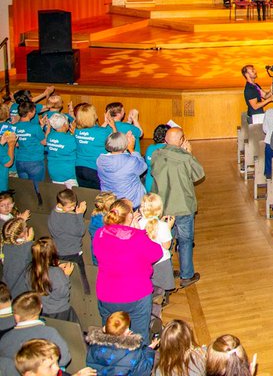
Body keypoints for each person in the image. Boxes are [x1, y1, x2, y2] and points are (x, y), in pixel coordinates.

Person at [92, 199, 161, 340]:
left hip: (106, 293)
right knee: (139, 337)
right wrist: (137, 231)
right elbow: (157, 253)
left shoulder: (99, 234)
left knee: (110, 336)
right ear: (129, 217)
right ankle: (139, 360)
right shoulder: (137, 237)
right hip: (136, 294)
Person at [150, 127, 205, 289]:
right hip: (183, 206)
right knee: (185, 241)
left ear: (165, 140)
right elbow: (198, 175)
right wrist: (189, 153)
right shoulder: (185, 158)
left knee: (166, 239)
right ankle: (186, 275)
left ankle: (166, 271)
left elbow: (153, 171)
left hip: (163, 206)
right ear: (181, 141)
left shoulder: (156, 155)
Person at [0, 294, 73, 373]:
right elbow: (65, 359)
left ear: (16, 316)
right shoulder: (50, 333)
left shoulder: (5, 337)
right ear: (41, 307)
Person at [84, 310, 155, 376]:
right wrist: (149, 350)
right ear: (127, 331)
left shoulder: (93, 347)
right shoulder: (133, 353)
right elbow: (145, 371)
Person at [28, 237, 73, 321]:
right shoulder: (56, 273)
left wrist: (57, 269)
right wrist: (66, 275)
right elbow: (63, 293)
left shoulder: (30, 270)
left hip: (41, 310)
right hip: (60, 312)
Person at [97, 133, 146, 209]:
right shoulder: (131, 161)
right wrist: (131, 150)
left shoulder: (100, 160)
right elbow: (143, 167)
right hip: (130, 202)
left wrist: (120, 141)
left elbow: (118, 157)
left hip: (111, 201)